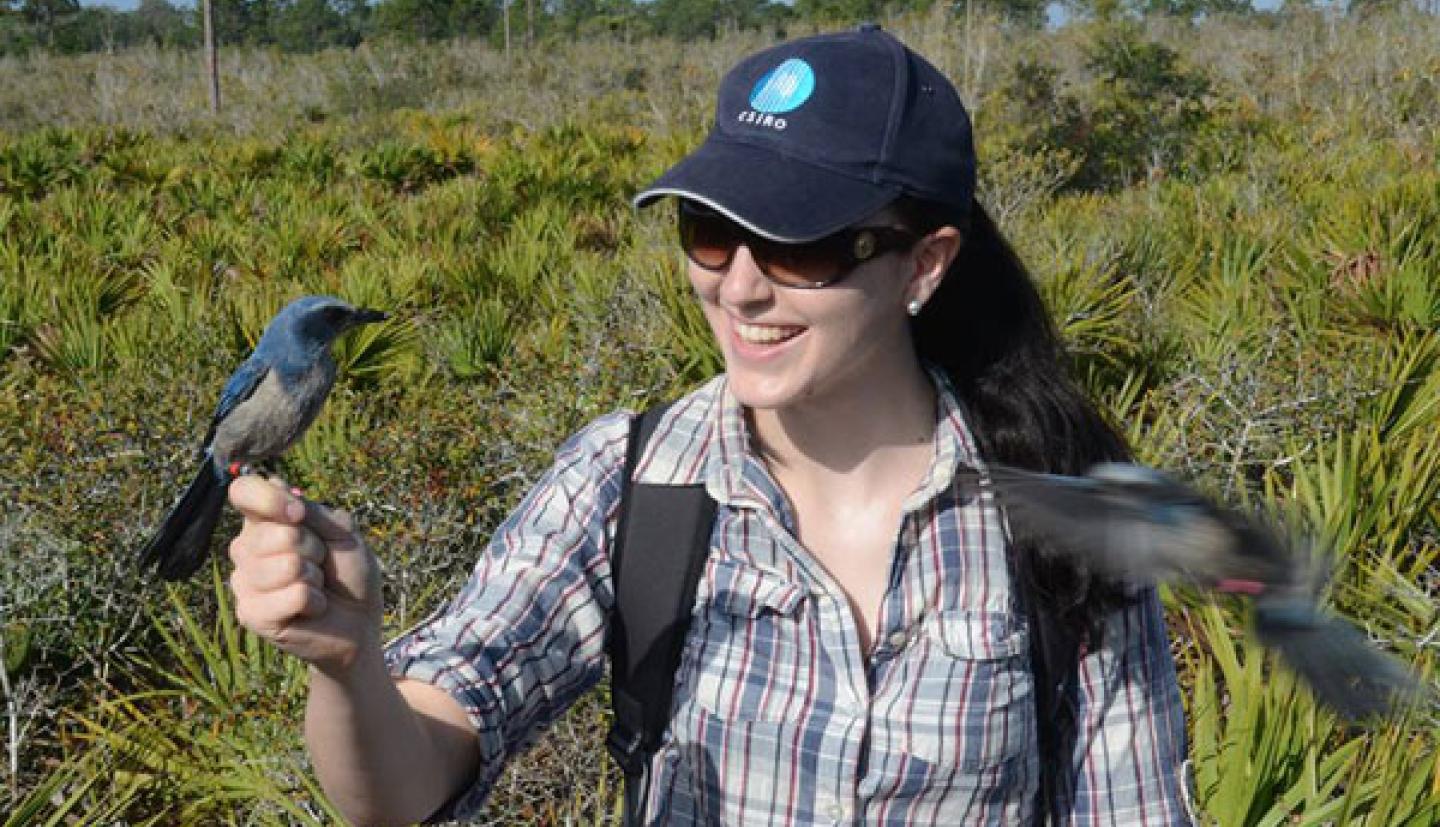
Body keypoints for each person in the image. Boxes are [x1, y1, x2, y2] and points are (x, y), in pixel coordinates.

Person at [225, 25, 1192, 825]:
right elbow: (407, 781)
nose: (737, 285)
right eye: (710, 229)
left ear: (924, 263)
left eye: (799, 243)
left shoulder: (1063, 506)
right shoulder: (630, 481)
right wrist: (350, 664)